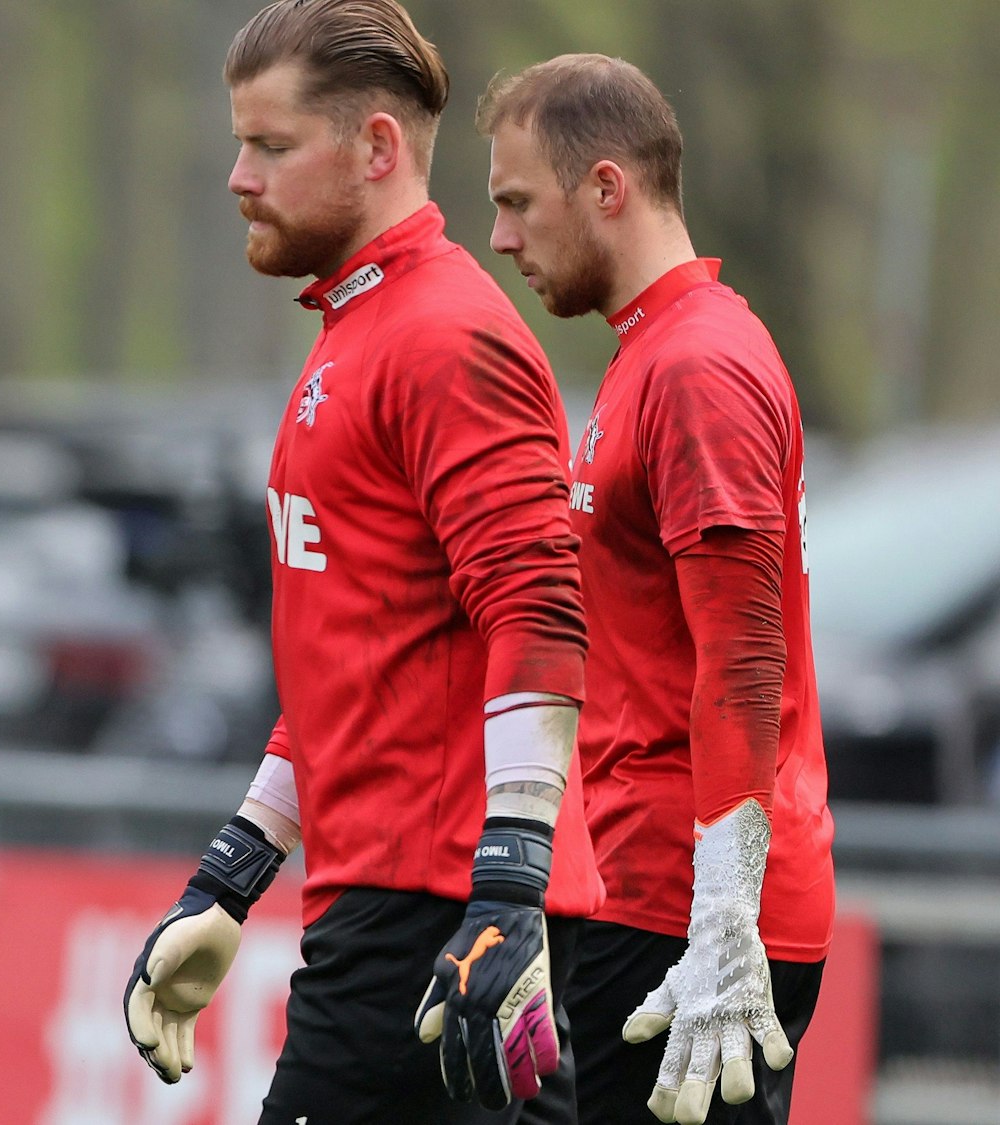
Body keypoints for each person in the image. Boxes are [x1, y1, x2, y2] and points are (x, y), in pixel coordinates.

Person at [121, 3, 602, 1121]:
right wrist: (234, 872)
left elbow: (535, 608)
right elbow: (357, 652)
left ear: (376, 148)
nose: (239, 176)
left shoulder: (440, 336)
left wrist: (509, 889)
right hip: (398, 897)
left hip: (437, 904)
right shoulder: (358, 328)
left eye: (273, 146)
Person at [479, 56, 833, 1125]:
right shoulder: (651, 352)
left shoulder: (694, 366)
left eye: (514, 203)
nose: (500, 240)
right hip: (643, 891)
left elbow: (742, 655)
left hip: (684, 917)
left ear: (604, 189)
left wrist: (720, 911)